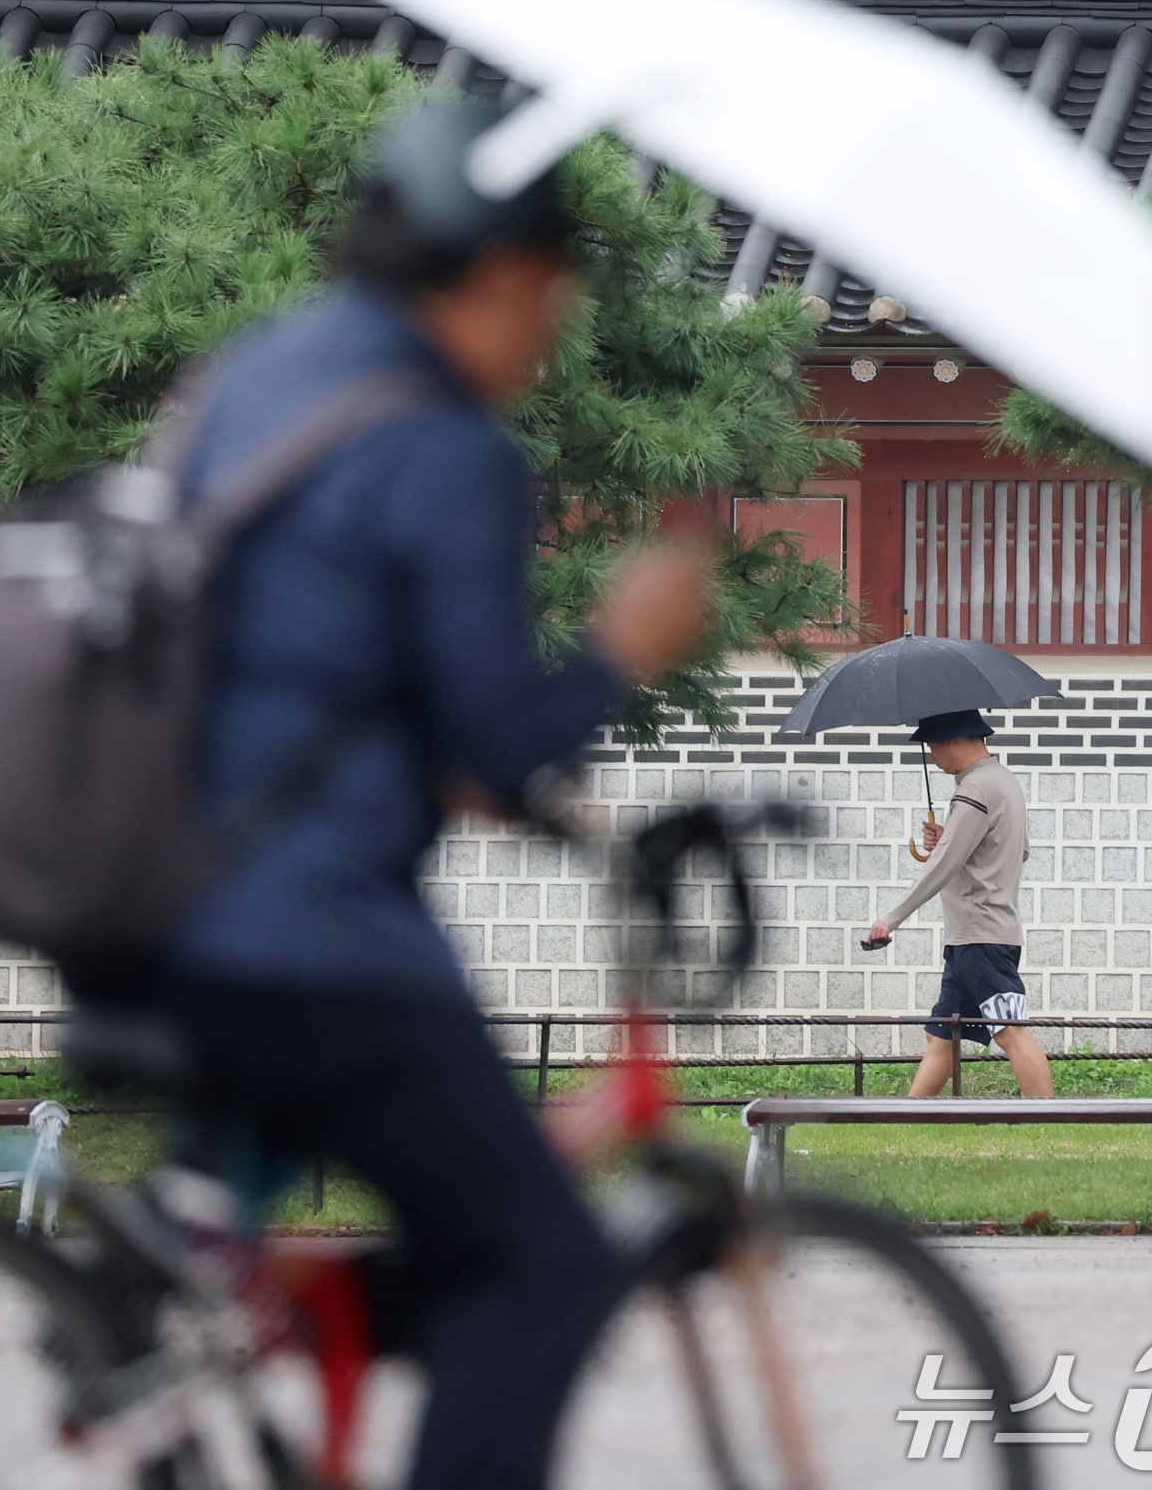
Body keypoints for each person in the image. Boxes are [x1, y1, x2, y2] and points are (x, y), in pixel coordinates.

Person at [120, 98, 714, 1490]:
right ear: (502, 278)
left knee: (450, 1242)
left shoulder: (257, 375)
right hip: (304, 945)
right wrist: (623, 648)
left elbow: (316, 671)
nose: (551, 340)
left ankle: (234, 1337)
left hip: (155, 911)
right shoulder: (444, 448)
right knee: (543, 1264)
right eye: (555, 305)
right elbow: (508, 743)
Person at [867, 709, 1054, 1099]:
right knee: (943, 1035)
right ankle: (908, 1120)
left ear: (952, 741)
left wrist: (891, 918)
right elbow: (1014, 850)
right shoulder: (1004, 782)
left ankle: (1050, 1117)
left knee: (1011, 1031)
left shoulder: (974, 788)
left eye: (932, 746)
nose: (933, 757)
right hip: (981, 934)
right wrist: (953, 835)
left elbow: (945, 865)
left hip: (979, 936)